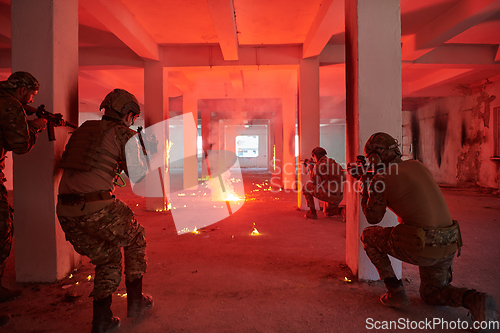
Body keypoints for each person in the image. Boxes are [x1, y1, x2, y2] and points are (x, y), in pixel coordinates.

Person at [359, 132, 497, 331]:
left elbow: (373, 217)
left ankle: (395, 292)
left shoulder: (381, 178)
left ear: (374, 157)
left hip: (423, 244)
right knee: (432, 294)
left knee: (368, 236)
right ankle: (475, 299)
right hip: (449, 242)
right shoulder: (418, 166)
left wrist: (366, 186)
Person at [56, 89, 152, 333]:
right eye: (134, 117)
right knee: (136, 237)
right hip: (96, 207)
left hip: (67, 211)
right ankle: (136, 304)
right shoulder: (124, 133)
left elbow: (97, 162)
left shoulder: (83, 130)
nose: (133, 122)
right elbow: (139, 176)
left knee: (107, 256)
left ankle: (102, 320)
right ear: (128, 115)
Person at [0, 72, 47, 303]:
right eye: (31, 95)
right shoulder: (10, 105)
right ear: (21, 90)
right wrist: (36, 127)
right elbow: (20, 145)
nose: (31, 100)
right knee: (3, 229)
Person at [302, 147, 345, 219]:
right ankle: (342, 211)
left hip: (328, 194)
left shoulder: (318, 165)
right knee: (327, 212)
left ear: (315, 155)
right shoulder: (332, 162)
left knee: (306, 186)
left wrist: (311, 168)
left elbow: (314, 182)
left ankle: (312, 212)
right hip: (339, 195)